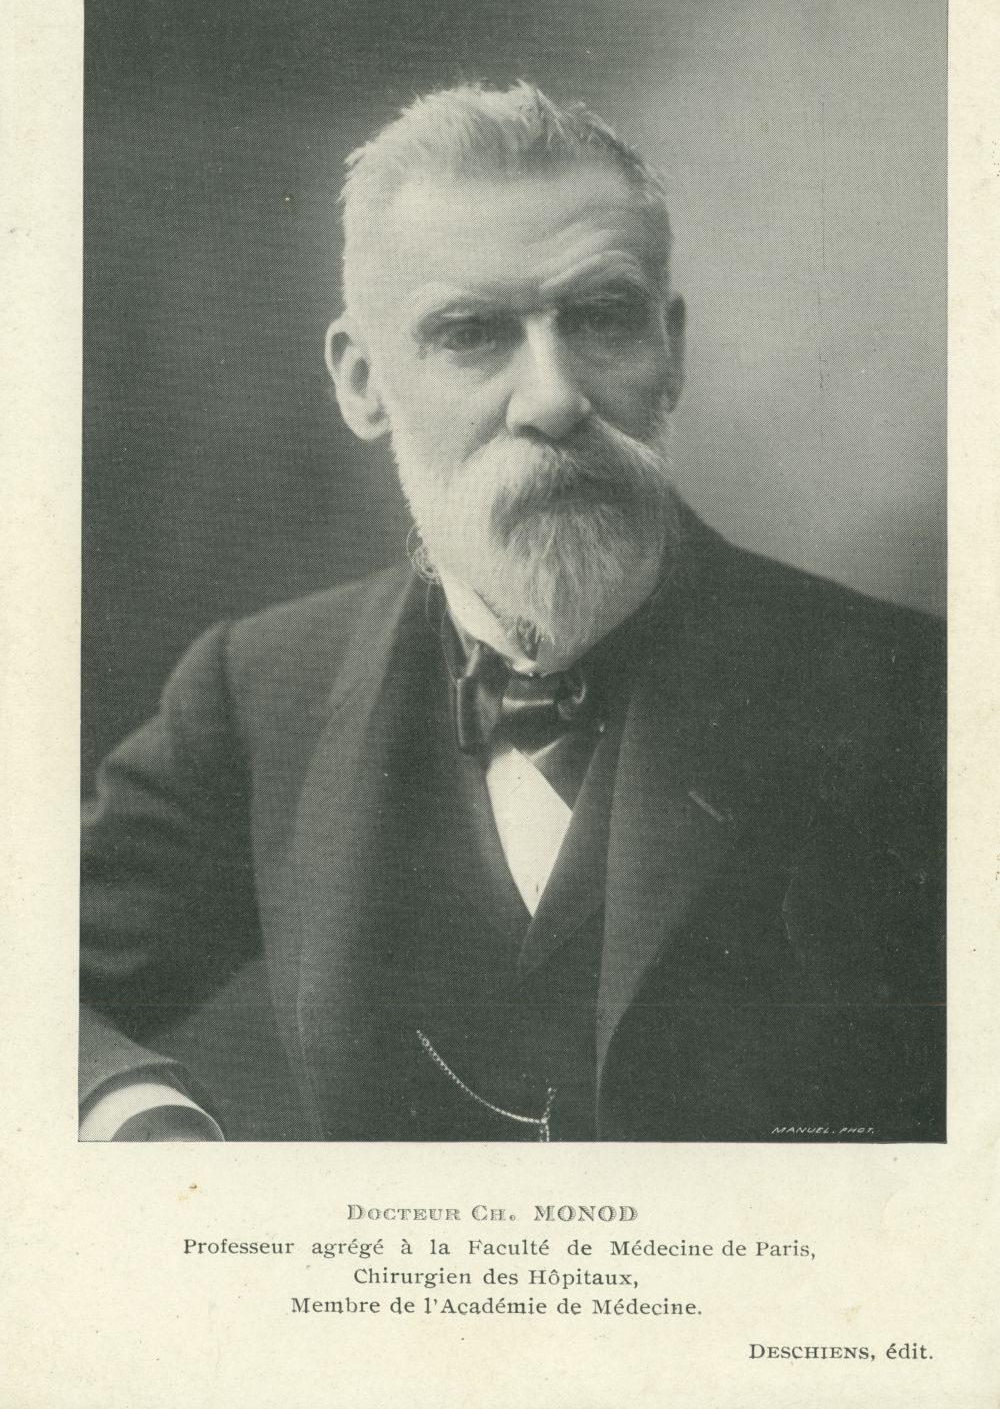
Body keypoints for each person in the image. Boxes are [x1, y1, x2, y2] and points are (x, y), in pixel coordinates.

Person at [80, 81, 945, 1143]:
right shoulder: (261, 691)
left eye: (601, 317)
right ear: (362, 382)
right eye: (472, 332)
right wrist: (132, 1111)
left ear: (669, 349)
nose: (552, 398)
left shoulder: (919, 698)